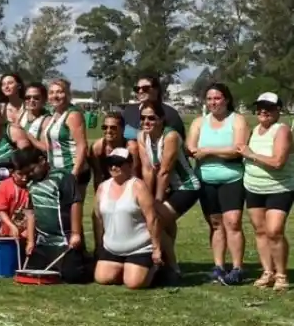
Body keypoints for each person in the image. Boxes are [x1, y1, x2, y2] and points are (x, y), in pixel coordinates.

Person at [187, 83, 249, 285]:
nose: (214, 102)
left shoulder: (237, 120)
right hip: (206, 180)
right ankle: (219, 267)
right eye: (210, 99)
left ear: (227, 99)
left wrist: (209, 152)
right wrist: (219, 151)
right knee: (215, 224)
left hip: (232, 179)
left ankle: (238, 268)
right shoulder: (198, 122)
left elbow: (238, 149)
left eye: (218, 98)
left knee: (233, 222)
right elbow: (191, 148)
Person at [241, 92, 294, 291]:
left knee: (274, 231)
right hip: (254, 187)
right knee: (261, 231)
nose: (264, 111)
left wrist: (251, 154)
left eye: (269, 107)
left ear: (278, 110)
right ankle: (267, 272)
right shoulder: (254, 130)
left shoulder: (281, 131)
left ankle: (281, 274)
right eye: (260, 107)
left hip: (279, 188)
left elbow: (278, 162)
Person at [139, 99, 196, 277]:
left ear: (162, 119)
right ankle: (166, 263)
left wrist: (156, 201)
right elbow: (147, 169)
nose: (146, 122)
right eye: (143, 118)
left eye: (152, 118)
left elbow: (164, 172)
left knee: (156, 221)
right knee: (161, 222)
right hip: (167, 187)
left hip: (186, 187)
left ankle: (172, 268)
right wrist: (147, 198)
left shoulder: (170, 136)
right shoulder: (142, 136)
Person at [16, 147, 88, 284]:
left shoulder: (63, 177)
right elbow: (30, 213)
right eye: (25, 173)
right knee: (33, 273)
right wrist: (31, 241)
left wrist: (75, 233)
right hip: (43, 241)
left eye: (31, 170)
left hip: (64, 239)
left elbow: (75, 203)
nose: (27, 176)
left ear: (42, 161)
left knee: (72, 277)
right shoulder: (31, 182)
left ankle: (85, 262)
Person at [93, 148, 162, 289]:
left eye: (119, 163)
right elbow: (98, 218)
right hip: (111, 247)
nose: (113, 167)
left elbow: (152, 219)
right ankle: (126, 268)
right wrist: (99, 245)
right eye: (110, 163)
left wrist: (156, 248)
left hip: (139, 247)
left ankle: (155, 268)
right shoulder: (102, 188)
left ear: (130, 165)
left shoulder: (138, 186)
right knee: (102, 278)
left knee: (134, 283)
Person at [121, 74, 186, 140]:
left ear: (156, 90)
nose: (140, 91)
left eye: (145, 88)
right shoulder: (129, 111)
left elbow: (178, 141)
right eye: (137, 89)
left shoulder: (170, 114)